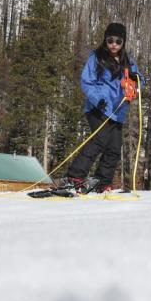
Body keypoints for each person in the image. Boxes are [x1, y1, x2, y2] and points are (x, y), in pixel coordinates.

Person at [61, 22, 142, 193]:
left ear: (123, 42)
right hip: (99, 108)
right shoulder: (96, 57)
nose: (114, 45)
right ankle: (74, 176)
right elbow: (86, 82)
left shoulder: (128, 61)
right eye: (110, 40)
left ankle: (102, 181)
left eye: (118, 41)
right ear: (105, 40)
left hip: (118, 111)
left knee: (114, 146)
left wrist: (136, 79)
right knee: (99, 139)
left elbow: (139, 81)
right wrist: (98, 99)